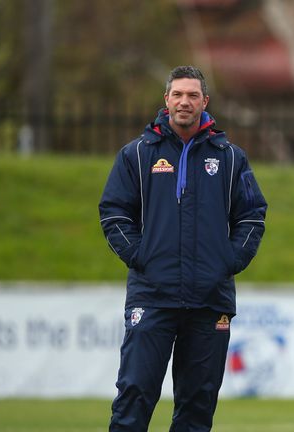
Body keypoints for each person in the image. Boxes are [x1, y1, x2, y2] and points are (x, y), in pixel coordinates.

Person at [99, 65, 267, 431]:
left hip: (210, 301)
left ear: (205, 102)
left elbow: (253, 215)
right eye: (178, 95)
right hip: (153, 296)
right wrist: (140, 257)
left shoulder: (230, 157)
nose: (184, 102)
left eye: (192, 95)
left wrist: (230, 260)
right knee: (134, 396)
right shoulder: (138, 155)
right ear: (166, 100)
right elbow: (114, 213)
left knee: (196, 407)